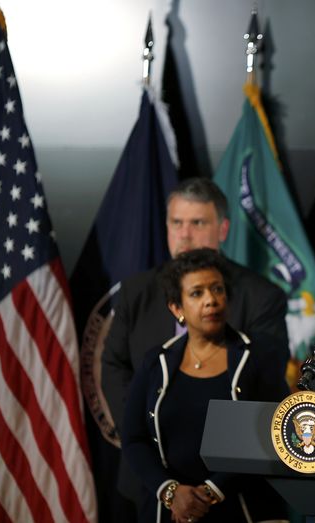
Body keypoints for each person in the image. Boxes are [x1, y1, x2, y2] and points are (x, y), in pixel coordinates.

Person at [102, 177, 289, 500]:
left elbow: (265, 390)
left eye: (197, 222)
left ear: (223, 229)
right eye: (176, 222)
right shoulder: (137, 291)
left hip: (234, 488)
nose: (185, 234)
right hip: (149, 481)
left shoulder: (261, 296)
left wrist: (212, 482)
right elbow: (114, 366)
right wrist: (149, 435)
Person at [121, 248, 289, 523]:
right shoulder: (155, 361)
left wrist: (210, 491)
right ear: (177, 308)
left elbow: (274, 434)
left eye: (217, 289)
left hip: (244, 509)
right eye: (197, 293)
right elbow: (133, 438)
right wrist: (171, 492)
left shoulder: (259, 356)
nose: (211, 300)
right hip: (172, 511)